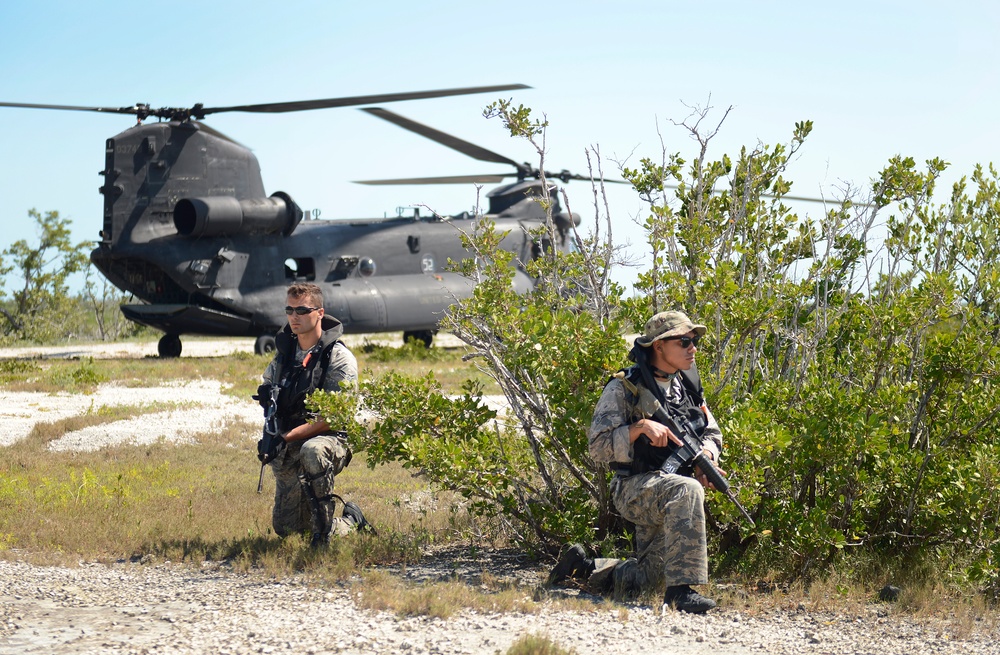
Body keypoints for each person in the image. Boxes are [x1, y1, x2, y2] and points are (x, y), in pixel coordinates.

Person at [548, 310, 724, 613]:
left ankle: (582, 567)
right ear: (658, 346)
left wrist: (706, 456)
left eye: (694, 340)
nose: (692, 347)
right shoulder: (624, 388)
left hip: (669, 490)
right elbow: (598, 448)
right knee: (688, 490)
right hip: (633, 489)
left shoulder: (689, 386)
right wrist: (638, 429)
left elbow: (711, 431)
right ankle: (681, 593)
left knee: (649, 579)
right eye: (684, 341)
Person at [257, 282, 371, 548]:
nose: (294, 317)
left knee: (313, 451)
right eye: (289, 310)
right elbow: (270, 388)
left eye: (302, 310)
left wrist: (286, 437)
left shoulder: (338, 357)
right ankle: (350, 522)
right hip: (292, 438)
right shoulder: (285, 355)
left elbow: (334, 418)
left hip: (330, 439)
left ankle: (323, 535)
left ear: (320, 312)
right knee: (287, 529)